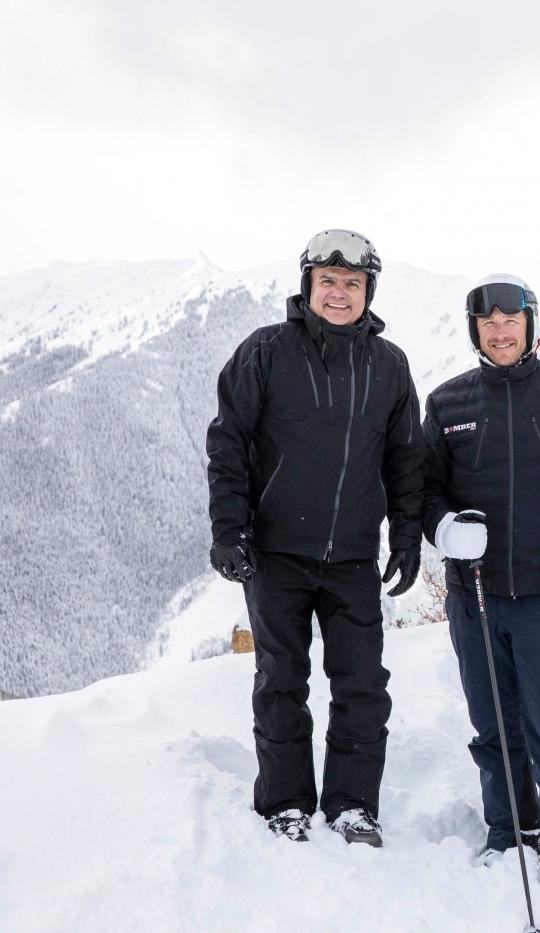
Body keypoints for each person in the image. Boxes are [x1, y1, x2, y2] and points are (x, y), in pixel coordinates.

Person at [206, 229, 423, 847]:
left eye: (351, 284)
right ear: (308, 287)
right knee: (281, 680)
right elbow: (228, 441)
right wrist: (228, 528)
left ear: (367, 292)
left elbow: (406, 460)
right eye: (327, 282)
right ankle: (286, 803)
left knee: (361, 686)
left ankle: (353, 805)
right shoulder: (266, 351)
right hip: (276, 554)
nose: (338, 293)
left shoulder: (389, 365)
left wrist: (405, 538)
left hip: (353, 556)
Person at [421, 273, 540, 901]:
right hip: (473, 596)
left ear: (530, 323)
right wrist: (444, 528)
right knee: (492, 725)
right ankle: (509, 831)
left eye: (511, 321)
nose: (500, 333)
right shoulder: (449, 404)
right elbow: (426, 491)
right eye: (488, 323)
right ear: (476, 330)